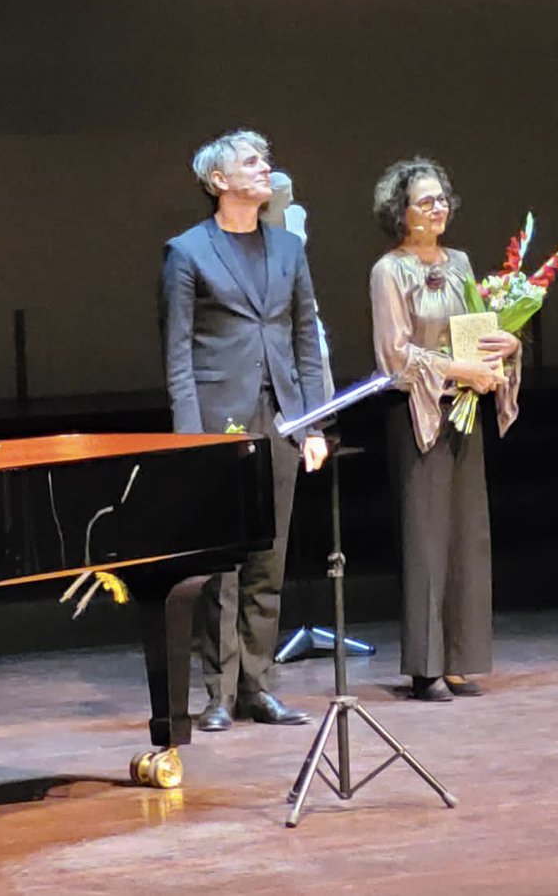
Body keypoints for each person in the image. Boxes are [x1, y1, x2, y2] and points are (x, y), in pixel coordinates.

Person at [159, 129, 329, 730]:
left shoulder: (287, 249)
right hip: (217, 419)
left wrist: (316, 423)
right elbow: (177, 352)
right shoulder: (187, 252)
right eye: (252, 162)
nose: (266, 168)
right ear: (219, 181)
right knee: (222, 562)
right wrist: (190, 440)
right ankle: (219, 693)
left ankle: (259, 684)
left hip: (281, 415)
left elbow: (305, 339)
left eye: (265, 160)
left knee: (269, 557)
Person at [369, 157, 521, 702]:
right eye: (425, 201)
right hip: (418, 412)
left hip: (464, 407)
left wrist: (506, 346)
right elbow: (395, 355)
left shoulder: (459, 262)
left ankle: (460, 658)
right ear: (401, 212)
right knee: (426, 540)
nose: (438, 209)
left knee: (464, 534)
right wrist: (458, 370)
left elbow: (475, 328)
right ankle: (424, 667)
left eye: (442, 199)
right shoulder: (390, 270)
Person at [262, 170, 336, 401]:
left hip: (298, 291)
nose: (291, 197)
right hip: (271, 295)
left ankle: (322, 414)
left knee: (320, 354)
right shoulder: (256, 222)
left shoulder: (296, 214)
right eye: (285, 193)